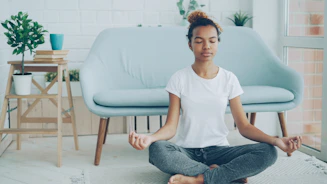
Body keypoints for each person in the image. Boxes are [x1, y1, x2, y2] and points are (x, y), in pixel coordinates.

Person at [128, 10, 302, 184]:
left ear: (218, 43)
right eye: (199, 41)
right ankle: (224, 175)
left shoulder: (229, 79)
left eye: (212, 41)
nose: (206, 47)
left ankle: (198, 179)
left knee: (269, 152)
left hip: (220, 151)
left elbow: (244, 126)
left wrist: (277, 140)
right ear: (190, 44)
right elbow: (170, 127)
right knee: (157, 149)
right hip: (187, 152)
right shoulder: (179, 78)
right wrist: (149, 138)